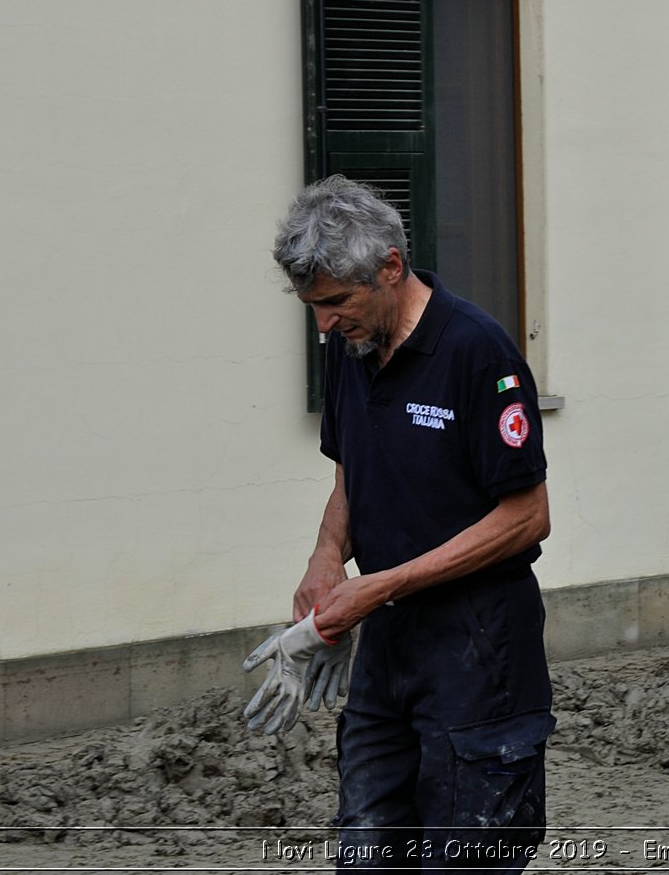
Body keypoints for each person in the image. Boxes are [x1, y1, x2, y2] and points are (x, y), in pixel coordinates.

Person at [264, 174, 553, 871]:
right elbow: (351, 472)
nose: (324, 324)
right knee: (366, 848)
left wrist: (384, 582)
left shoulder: (477, 351)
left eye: (335, 303)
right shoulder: (351, 348)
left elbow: (527, 516)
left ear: (390, 267)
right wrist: (328, 557)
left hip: (479, 653)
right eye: (313, 307)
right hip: (388, 650)